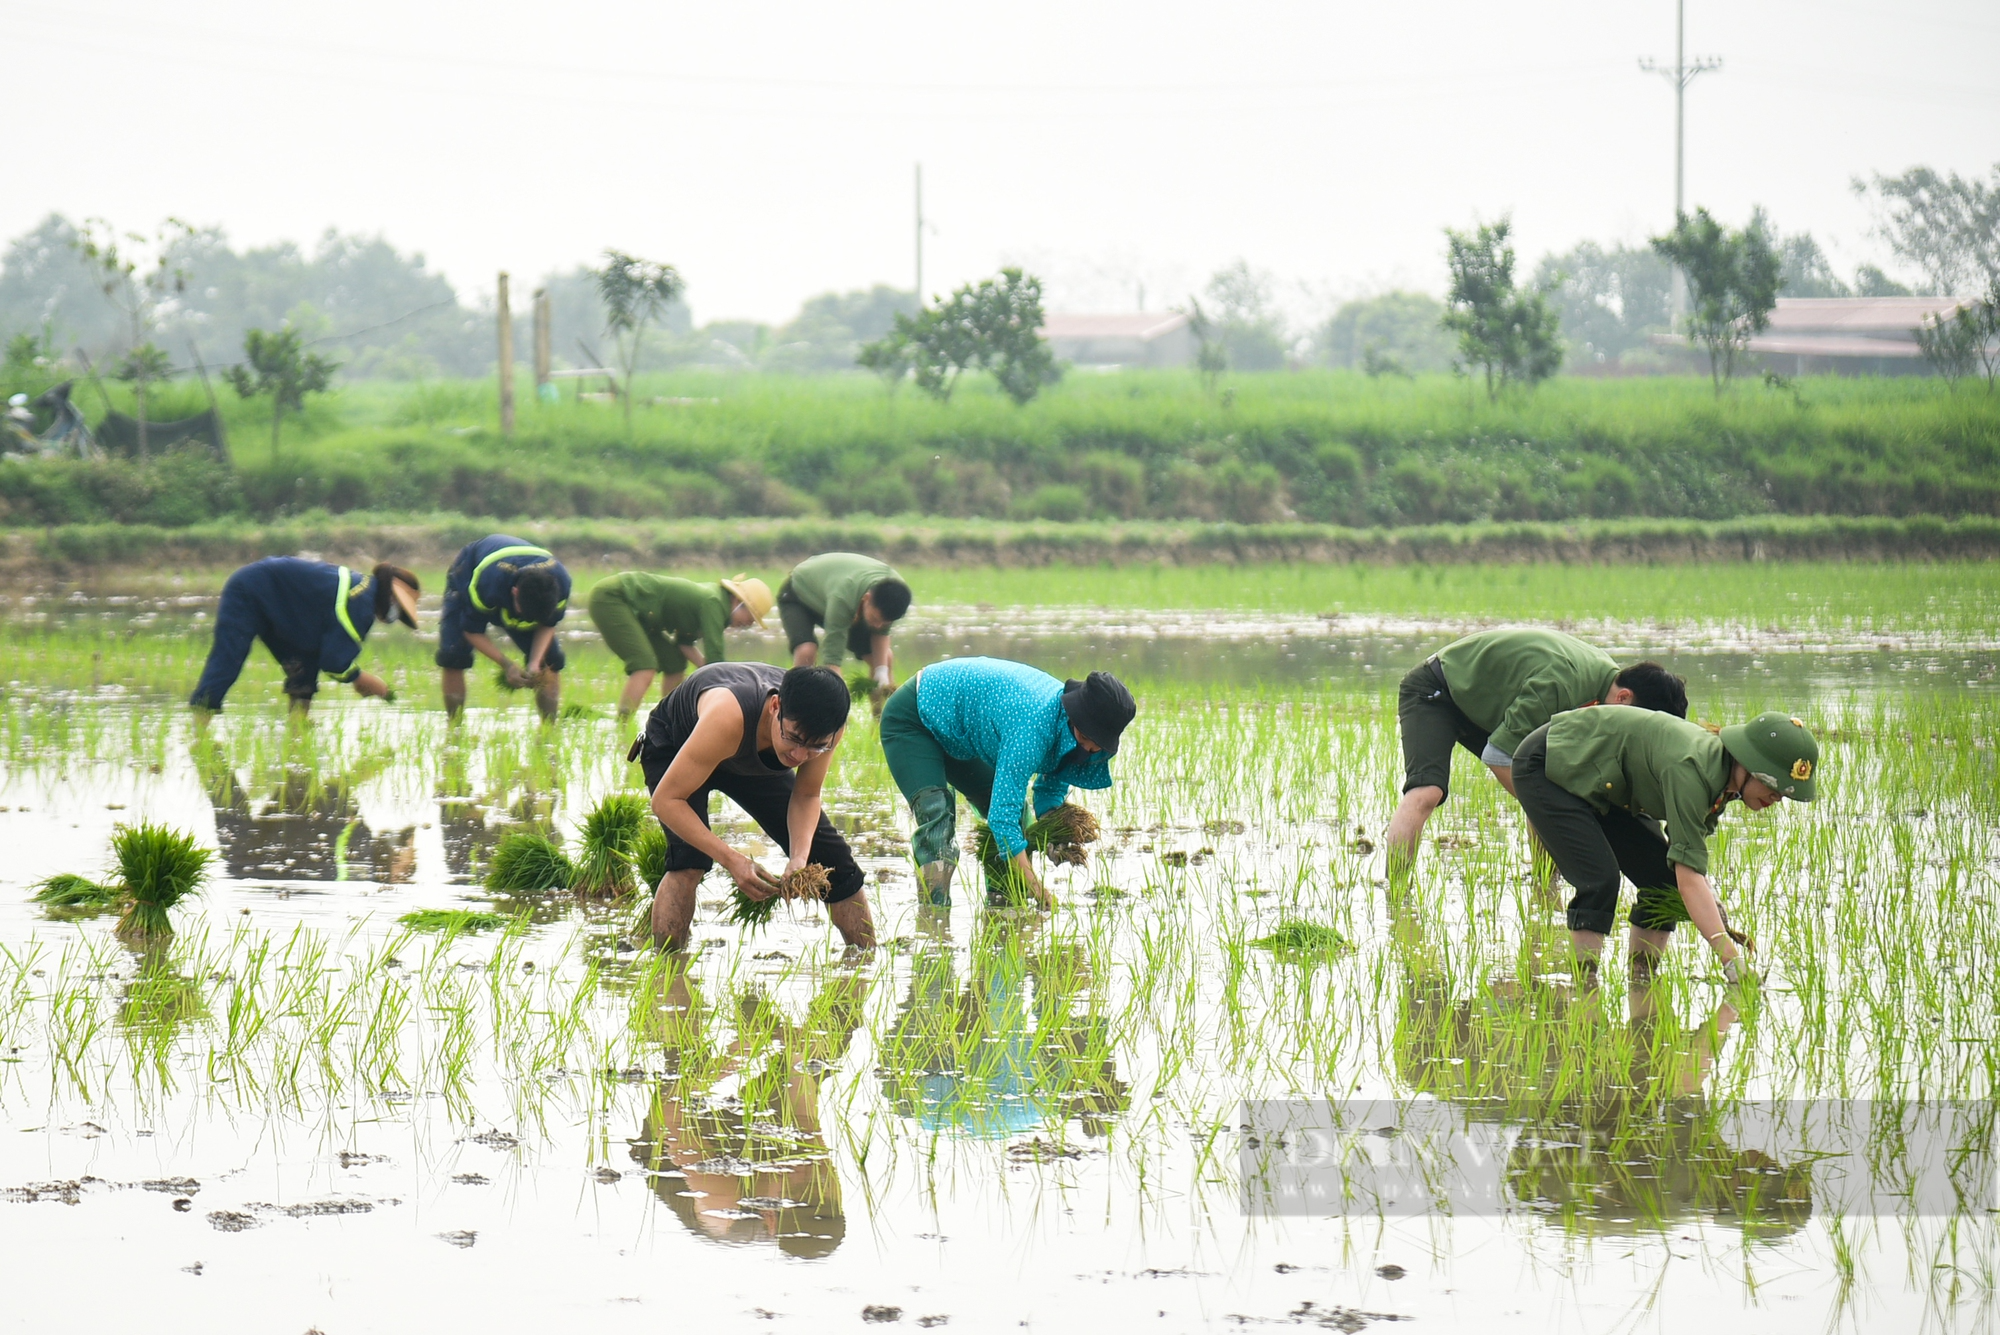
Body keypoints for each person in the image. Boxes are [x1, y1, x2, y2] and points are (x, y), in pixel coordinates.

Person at [1511, 706, 1820, 983]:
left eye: (1784, 794)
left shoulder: (1723, 784)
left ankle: (1641, 977)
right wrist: (1731, 960)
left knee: (1664, 884)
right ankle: (1584, 983)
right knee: (1599, 878)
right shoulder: (1692, 770)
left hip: (1604, 782)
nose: (1776, 799)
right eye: (1774, 787)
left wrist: (1712, 905)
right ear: (1749, 765)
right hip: (1551, 763)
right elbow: (1689, 878)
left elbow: (1686, 864)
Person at [1386, 629, 1689, 873]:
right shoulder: (1562, 686)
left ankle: (1545, 889)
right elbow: (1499, 755)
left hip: (1485, 700)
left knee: (1548, 780)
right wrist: (1556, 810)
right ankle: (1396, 892)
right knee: (1427, 792)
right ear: (1624, 698)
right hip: (1437, 691)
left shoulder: (1602, 694)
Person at [638, 662, 875, 950]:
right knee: (689, 861)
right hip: (678, 744)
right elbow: (665, 801)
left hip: (750, 755)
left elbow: (807, 796)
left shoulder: (827, 731)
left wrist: (800, 860)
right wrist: (733, 860)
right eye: (794, 738)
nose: (801, 755)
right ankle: (667, 970)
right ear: (776, 706)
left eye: (815, 746)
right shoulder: (728, 714)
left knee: (832, 859)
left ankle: (866, 963)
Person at [877, 656, 1135, 910]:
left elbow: (1051, 786)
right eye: (1086, 736)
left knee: (1019, 819)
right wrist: (1036, 886)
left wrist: (1051, 833)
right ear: (1073, 715)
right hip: (915, 717)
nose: (1090, 748)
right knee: (937, 823)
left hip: (960, 736)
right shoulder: (1034, 726)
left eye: (1099, 744)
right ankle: (933, 923)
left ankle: (1004, 907)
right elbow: (1002, 819)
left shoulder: (1082, 740)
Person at [189, 557, 420, 718]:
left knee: (304, 662)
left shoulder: (363, 590)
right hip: (250, 590)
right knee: (229, 658)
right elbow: (334, 662)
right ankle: (199, 731)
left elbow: (323, 652)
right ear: (390, 596)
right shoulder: (360, 602)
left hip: (283, 607)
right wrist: (366, 681)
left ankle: (298, 729)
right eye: (398, 611)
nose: (393, 618)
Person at [588, 571, 775, 720]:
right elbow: (716, 663)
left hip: (642, 617)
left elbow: (683, 644)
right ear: (737, 601)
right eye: (751, 617)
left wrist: (705, 669)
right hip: (614, 597)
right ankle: (622, 726)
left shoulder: (716, 604)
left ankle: (667, 721)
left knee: (674, 663)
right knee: (645, 666)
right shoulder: (714, 603)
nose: (749, 624)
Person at [435, 534, 572, 720]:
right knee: (453, 655)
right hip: (469, 568)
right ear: (514, 593)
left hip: (520, 573)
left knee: (550, 660)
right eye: (524, 615)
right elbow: (472, 630)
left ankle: (549, 727)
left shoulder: (560, 583)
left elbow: (547, 625)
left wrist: (534, 662)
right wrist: (507, 665)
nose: (526, 621)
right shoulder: (488, 583)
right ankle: (454, 724)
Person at [776, 552, 913, 690]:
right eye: (876, 619)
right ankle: (792, 703)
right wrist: (841, 702)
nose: (878, 626)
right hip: (800, 593)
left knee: (885, 659)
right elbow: (832, 663)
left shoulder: (895, 595)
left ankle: (879, 711)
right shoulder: (843, 598)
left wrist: (881, 672)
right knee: (807, 651)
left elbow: (881, 634)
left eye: (885, 623)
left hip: (836, 599)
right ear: (867, 599)